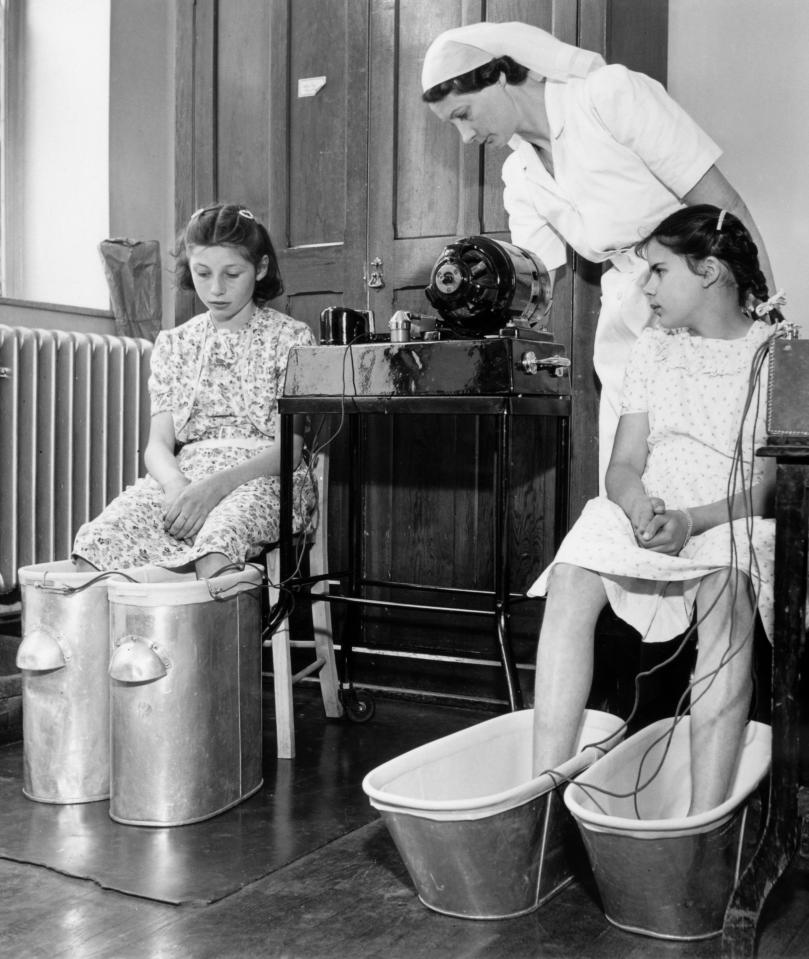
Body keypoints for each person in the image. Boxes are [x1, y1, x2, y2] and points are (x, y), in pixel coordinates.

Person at [421, 21, 775, 485]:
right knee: (626, 477)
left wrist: (767, 317)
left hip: (699, 300)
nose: (465, 137)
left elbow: (725, 207)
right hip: (625, 318)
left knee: (718, 468)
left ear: (500, 76)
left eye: (463, 114)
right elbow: (535, 288)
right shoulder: (521, 174)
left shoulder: (609, 96)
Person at [528, 204, 785, 815]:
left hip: (731, 517)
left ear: (710, 271)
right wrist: (638, 507)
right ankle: (545, 788)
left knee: (728, 592)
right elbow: (624, 464)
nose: (644, 287)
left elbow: (774, 487)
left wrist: (694, 521)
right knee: (572, 572)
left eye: (658, 271)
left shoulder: (775, 352)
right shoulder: (654, 349)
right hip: (653, 509)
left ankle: (703, 814)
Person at [72, 202, 316, 580]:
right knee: (96, 544)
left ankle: (217, 638)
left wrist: (212, 490)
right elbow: (157, 446)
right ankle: (141, 640)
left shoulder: (291, 338)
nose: (215, 289)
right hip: (185, 479)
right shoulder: (175, 343)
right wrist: (176, 485)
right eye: (203, 273)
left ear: (261, 269)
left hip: (264, 480)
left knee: (218, 542)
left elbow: (291, 449)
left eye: (232, 274)